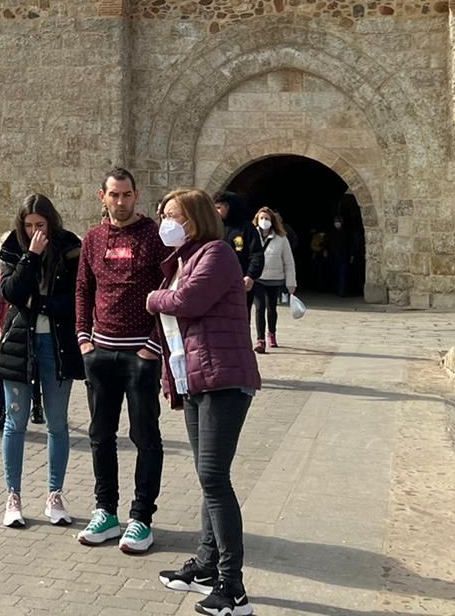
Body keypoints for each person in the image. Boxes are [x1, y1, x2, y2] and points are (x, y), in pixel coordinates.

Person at [148, 189, 261, 616]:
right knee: (208, 476)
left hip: (224, 380)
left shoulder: (217, 253)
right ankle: (206, 565)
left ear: (194, 218)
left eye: (172, 214)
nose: (166, 221)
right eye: (163, 214)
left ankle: (233, 587)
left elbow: (186, 302)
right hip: (195, 378)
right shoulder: (184, 258)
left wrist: (152, 298)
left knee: (214, 477)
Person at [75, 168, 165, 554]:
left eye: (127, 194)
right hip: (100, 352)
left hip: (140, 354)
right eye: (114, 195)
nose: (121, 201)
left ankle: (141, 518)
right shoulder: (93, 239)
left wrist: (154, 346)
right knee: (100, 435)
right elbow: (83, 289)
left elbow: (169, 290)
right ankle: (106, 512)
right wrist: (83, 339)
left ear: (136, 195)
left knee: (145, 436)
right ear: (103, 196)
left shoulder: (154, 237)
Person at [0, 193, 83, 529]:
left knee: (57, 423)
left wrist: (41, 304)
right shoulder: (13, 248)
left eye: (41, 225)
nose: (35, 232)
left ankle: (54, 495)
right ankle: (13, 496)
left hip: (57, 344)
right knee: (14, 422)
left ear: (51, 222)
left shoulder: (70, 247)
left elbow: (76, 299)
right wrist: (31, 257)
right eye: (29, 225)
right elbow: (12, 292)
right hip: (20, 343)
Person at [251, 207, 296, 353]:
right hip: (257, 278)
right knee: (259, 307)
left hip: (275, 278)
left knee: (271, 308)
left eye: (267, 218)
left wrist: (291, 283)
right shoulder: (252, 235)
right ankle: (260, 339)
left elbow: (288, 262)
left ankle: (271, 333)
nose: (264, 221)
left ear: (272, 221)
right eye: (261, 218)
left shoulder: (281, 238)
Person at [214, 192, 263, 300]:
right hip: (216, 279)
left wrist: (251, 275)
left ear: (230, 207)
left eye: (219, 208)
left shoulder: (247, 228)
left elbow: (256, 254)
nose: (215, 211)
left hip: (240, 281)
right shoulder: (215, 228)